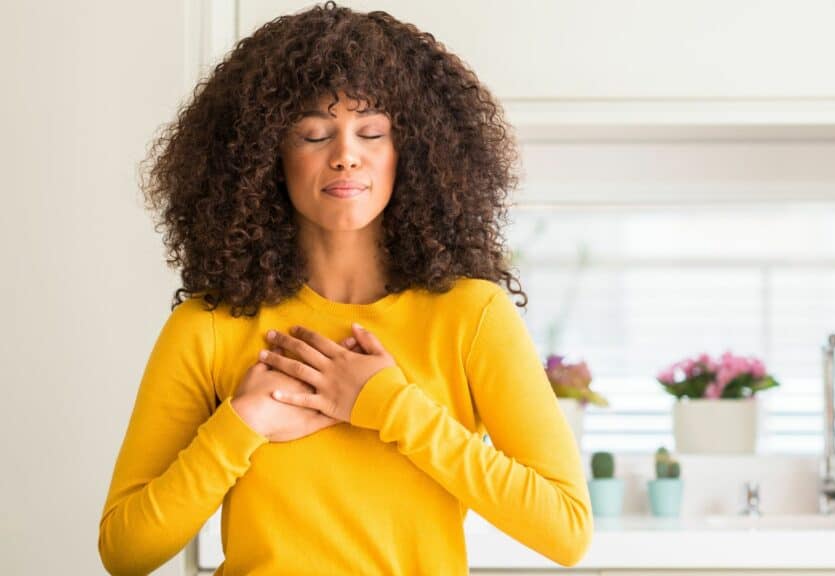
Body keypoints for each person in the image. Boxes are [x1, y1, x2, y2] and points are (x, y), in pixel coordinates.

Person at [97, 2, 592, 574]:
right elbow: (125, 552)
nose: (345, 155)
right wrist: (241, 424)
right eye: (313, 134)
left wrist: (389, 405)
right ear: (264, 156)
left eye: (372, 131)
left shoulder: (473, 316)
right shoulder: (211, 327)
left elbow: (566, 530)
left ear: (412, 151)